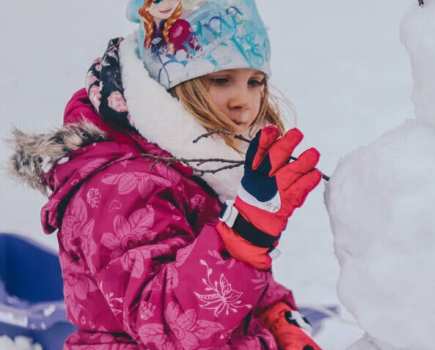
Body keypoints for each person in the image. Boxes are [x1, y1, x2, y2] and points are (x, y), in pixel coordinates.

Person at [9, 1, 323, 348]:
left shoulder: (192, 168)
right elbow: (167, 325)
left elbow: (222, 278)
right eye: (221, 79)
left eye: (255, 81)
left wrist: (276, 318)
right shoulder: (121, 184)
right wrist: (245, 237)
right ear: (168, 82)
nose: (245, 101)